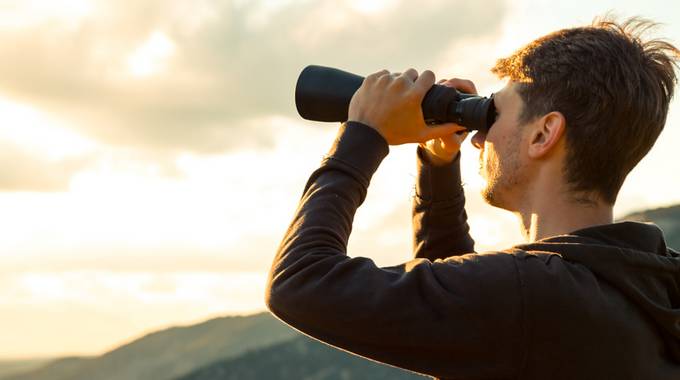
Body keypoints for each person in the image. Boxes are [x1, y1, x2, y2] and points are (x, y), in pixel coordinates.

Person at [264, 15, 680, 380]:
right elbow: (464, 319)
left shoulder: (533, 292)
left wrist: (363, 134)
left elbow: (300, 283)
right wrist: (438, 163)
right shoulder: (646, 283)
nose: (480, 138)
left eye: (493, 113)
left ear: (542, 134)